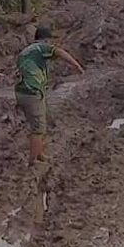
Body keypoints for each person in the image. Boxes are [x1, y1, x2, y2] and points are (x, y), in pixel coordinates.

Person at [15, 26, 84, 166]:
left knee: (41, 122)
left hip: (23, 92)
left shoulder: (27, 51)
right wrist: (77, 66)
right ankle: (32, 162)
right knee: (38, 128)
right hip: (32, 92)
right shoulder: (41, 47)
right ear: (46, 39)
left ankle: (40, 154)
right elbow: (59, 52)